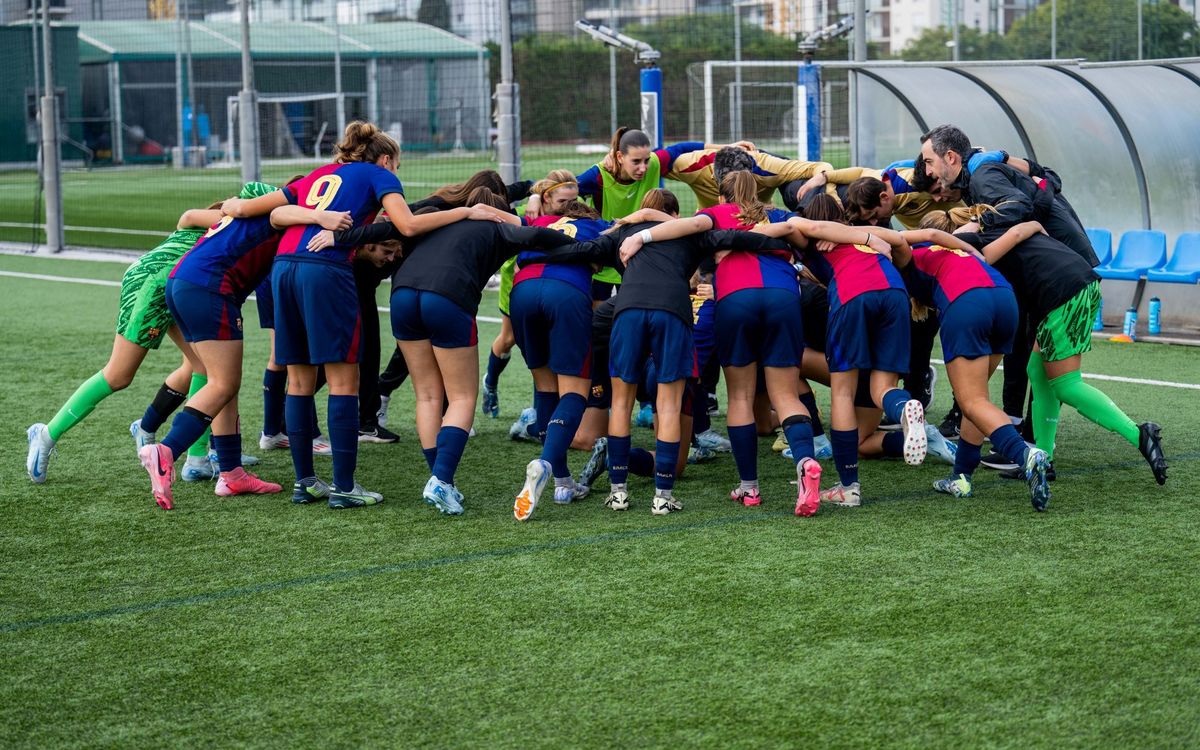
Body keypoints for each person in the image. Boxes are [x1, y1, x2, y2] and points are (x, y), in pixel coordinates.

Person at [272, 121, 499, 511]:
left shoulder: (320, 173)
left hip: (284, 266)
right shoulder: (379, 174)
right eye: (398, 166)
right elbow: (406, 224)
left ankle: (305, 482)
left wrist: (317, 218)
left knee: (298, 378)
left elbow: (276, 215)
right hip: (324, 270)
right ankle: (343, 486)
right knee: (344, 380)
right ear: (386, 159)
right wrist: (463, 212)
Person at [25, 183, 275, 485]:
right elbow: (192, 216)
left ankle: (196, 458)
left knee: (205, 369)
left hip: (179, 289)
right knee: (118, 375)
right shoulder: (229, 220)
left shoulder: (245, 229)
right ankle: (46, 434)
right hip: (150, 286)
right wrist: (239, 209)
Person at [563, 212, 808, 515]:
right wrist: (793, 257)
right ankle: (662, 497)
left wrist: (529, 253)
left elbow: (579, 250)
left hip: (628, 311)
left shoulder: (621, 234)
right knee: (668, 406)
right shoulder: (692, 234)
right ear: (674, 216)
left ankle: (618, 493)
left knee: (622, 404)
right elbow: (739, 237)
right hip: (672, 312)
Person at [137, 192, 352, 509]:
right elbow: (280, 215)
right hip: (210, 286)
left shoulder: (255, 214)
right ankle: (166, 450)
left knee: (222, 383)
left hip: (183, 282)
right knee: (223, 384)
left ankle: (231, 473)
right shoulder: (283, 212)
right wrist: (321, 217)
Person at [950, 211, 1167, 504]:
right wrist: (1034, 226)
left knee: (1066, 384)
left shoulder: (972, 242)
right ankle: (1045, 460)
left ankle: (1140, 434)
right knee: (1037, 372)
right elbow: (1025, 228)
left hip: (1063, 293)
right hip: (1074, 285)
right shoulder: (1005, 226)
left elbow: (965, 243)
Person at [389, 189, 578, 515]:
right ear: (497, 211)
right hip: (448, 296)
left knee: (427, 396)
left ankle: (441, 479)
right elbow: (536, 234)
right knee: (461, 397)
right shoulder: (495, 224)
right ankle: (442, 480)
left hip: (401, 294)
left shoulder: (443, 219)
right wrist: (581, 246)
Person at [776, 194, 929, 508]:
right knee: (883, 387)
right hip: (895, 293)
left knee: (842, 392)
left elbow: (795, 224)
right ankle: (903, 410)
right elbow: (901, 244)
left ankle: (849, 487)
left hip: (853, 293)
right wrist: (873, 240)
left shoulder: (811, 237)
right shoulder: (863, 236)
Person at [896, 210, 1052, 509]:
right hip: (1005, 300)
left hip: (967, 303)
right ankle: (961, 477)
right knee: (977, 400)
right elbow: (1017, 231)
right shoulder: (963, 250)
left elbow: (904, 238)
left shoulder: (910, 250)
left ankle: (1025, 455)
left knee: (971, 401)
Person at [482, 170, 578, 420]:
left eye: (574, 201)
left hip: (550, 281)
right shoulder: (528, 212)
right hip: (518, 279)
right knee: (510, 337)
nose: (570, 207)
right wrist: (533, 197)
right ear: (546, 198)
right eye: (562, 203)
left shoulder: (574, 213)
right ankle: (490, 382)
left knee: (545, 342)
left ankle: (541, 413)